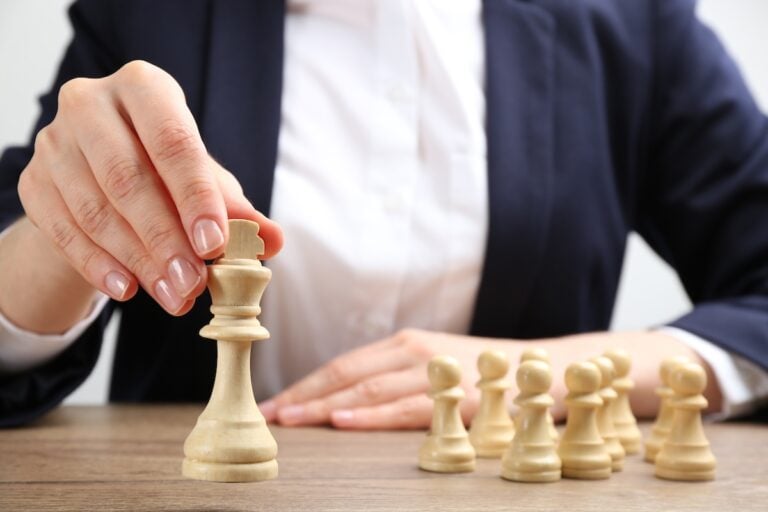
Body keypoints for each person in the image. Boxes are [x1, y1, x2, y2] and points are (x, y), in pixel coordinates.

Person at [1, 0, 767, 429]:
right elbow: (26, 241)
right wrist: (68, 238)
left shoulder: (638, 22)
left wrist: (553, 373)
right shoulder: (147, 14)